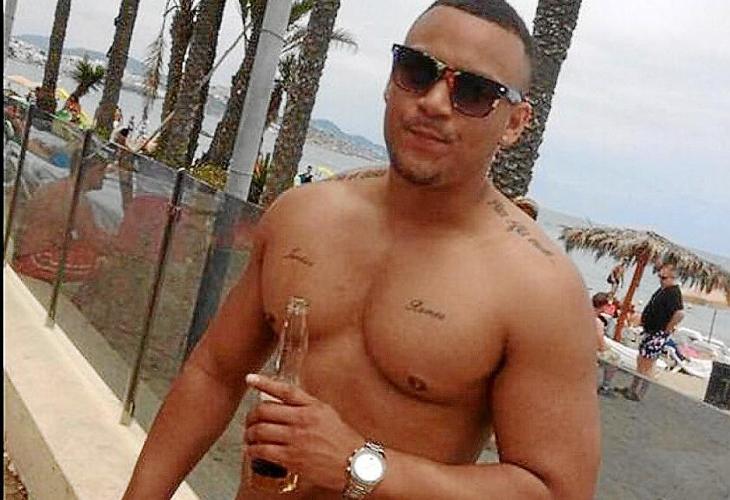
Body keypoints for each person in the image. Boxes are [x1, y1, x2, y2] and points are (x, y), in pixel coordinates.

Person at [123, 2, 600, 498]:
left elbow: (556, 490)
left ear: (515, 122)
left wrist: (359, 464)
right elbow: (214, 374)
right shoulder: (302, 216)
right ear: (391, 79)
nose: (435, 102)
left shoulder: (538, 288)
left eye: (474, 92)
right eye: (417, 71)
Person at [13, 150, 112, 283]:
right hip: (34, 260)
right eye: (101, 170)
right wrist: (123, 249)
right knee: (105, 264)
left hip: (27, 254)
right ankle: (82, 296)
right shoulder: (75, 198)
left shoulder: (59, 187)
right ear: (87, 171)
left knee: (88, 251)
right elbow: (93, 238)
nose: (104, 176)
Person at [624, 264, 684, 401]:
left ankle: (639, 393)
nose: (660, 280)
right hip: (650, 331)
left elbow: (680, 313)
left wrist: (667, 329)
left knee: (648, 363)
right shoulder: (663, 290)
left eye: (664, 278)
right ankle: (633, 388)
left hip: (658, 333)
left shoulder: (673, 292)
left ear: (673, 278)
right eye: (659, 277)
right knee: (641, 360)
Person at [593, 293, 619, 397]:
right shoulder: (598, 322)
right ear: (603, 306)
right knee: (615, 359)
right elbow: (600, 344)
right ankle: (605, 386)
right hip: (590, 350)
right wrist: (607, 348)